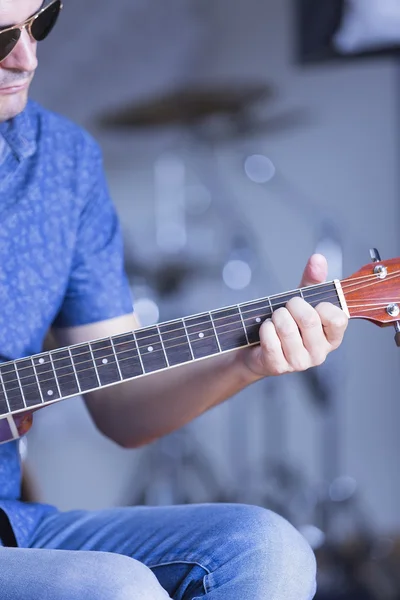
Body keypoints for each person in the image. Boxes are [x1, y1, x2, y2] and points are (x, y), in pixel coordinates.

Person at [0, 1, 349, 599]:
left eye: (43, 22)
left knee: (264, 548)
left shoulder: (63, 163)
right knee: (117, 588)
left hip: (12, 527)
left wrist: (247, 361)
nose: (27, 56)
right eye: (1, 36)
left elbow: (124, 409)